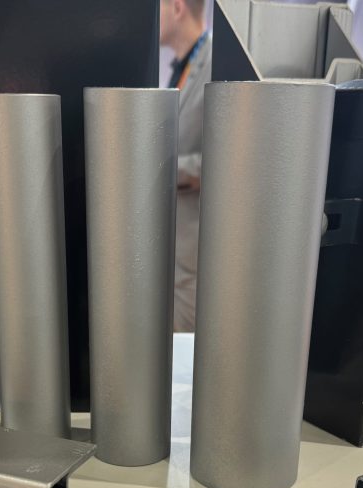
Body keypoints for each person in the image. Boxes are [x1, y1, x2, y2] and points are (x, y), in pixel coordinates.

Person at [160, 0, 210, 332]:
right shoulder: (182, 66)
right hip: (172, 249)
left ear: (178, 7)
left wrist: (159, 170)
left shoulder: (216, 63)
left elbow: (226, 158)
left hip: (194, 254)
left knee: (185, 350)